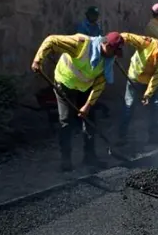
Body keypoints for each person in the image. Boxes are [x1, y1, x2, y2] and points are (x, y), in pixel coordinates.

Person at [31, 31, 125, 171]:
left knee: (90, 120)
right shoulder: (81, 44)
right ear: (105, 44)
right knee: (66, 120)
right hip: (65, 82)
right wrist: (38, 60)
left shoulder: (108, 60)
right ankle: (66, 160)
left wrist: (87, 106)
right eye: (114, 51)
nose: (114, 56)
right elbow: (51, 40)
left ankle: (89, 157)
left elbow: (100, 83)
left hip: (85, 86)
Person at [118, 35, 158, 148]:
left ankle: (154, 137)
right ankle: (122, 137)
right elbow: (128, 36)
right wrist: (116, 44)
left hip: (153, 81)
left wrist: (147, 95)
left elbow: (157, 77)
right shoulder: (147, 43)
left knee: (156, 108)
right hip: (135, 79)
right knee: (129, 106)